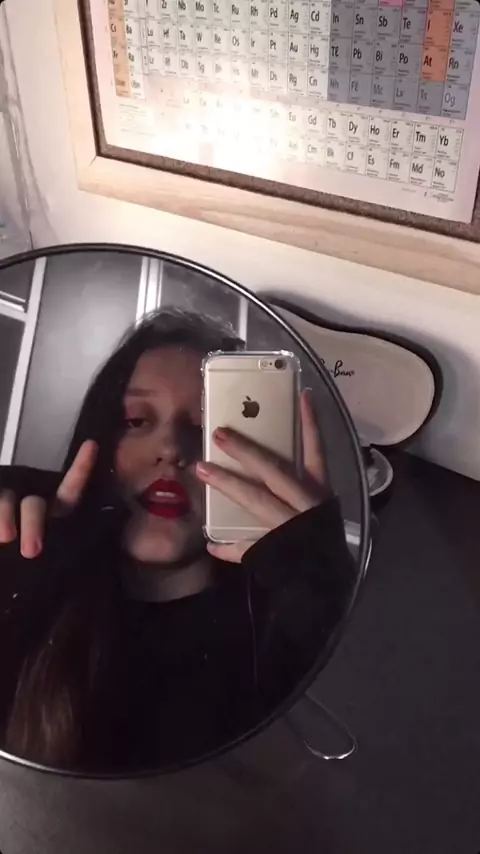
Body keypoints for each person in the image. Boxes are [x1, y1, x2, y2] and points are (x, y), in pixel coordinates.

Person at [0, 308, 354, 774]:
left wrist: (319, 604)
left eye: (206, 427)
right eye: (136, 420)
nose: (171, 448)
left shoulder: (278, 636)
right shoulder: (28, 582)